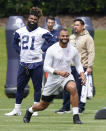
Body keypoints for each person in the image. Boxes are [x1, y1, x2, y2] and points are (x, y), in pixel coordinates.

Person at [23, 28, 86, 124]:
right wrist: (58, 72)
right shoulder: (52, 49)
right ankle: (30, 111)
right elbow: (46, 67)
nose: (65, 38)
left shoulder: (73, 50)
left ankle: (76, 117)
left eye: (66, 36)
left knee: (73, 88)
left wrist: (82, 75)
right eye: (63, 36)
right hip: (53, 79)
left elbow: (78, 64)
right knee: (43, 105)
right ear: (58, 37)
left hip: (66, 77)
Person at [5, 7, 57, 117]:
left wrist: (43, 49)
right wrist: (20, 52)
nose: (32, 20)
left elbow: (53, 41)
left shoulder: (42, 32)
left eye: (35, 19)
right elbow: (14, 43)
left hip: (37, 63)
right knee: (20, 87)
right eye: (31, 18)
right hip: (23, 63)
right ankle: (16, 109)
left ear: (38, 20)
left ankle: (35, 109)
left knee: (37, 87)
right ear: (27, 18)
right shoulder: (20, 31)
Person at [55, 19, 95, 114]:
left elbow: (91, 52)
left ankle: (80, 107)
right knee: (66, 87)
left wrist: (89, 66)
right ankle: (66, 107)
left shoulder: (88, 38)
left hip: (82, 67)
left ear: (83, 26)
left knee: (80, 88)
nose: (75, 27)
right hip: (69, 67)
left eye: (77, 25)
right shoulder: (71, 37)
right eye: (74, 25)